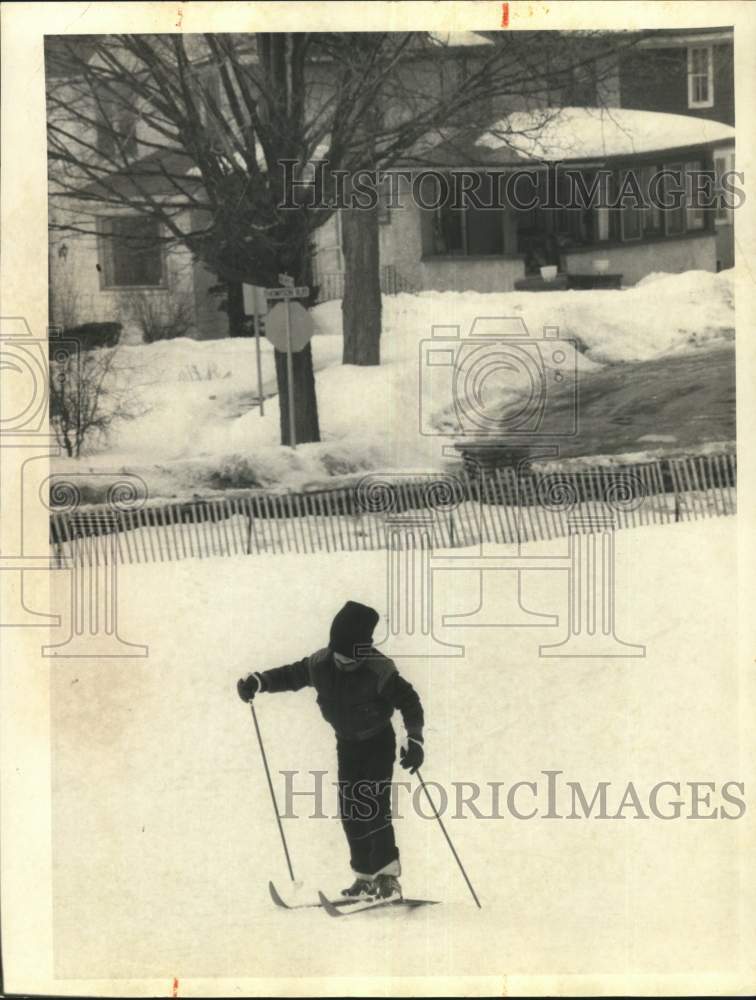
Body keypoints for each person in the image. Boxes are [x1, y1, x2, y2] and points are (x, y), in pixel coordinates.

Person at [237, 600, 425, 901]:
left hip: (378, 742)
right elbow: (291, 675)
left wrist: (414, 740)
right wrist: (260, 682)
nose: (343, 663)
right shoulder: (320, 664)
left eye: (350, 659)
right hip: (347, 744)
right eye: (338, 655)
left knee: (374, 806)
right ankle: (364, 877)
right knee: (351, 810)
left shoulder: (379, 669)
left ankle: (387, 878)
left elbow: (410, 702)